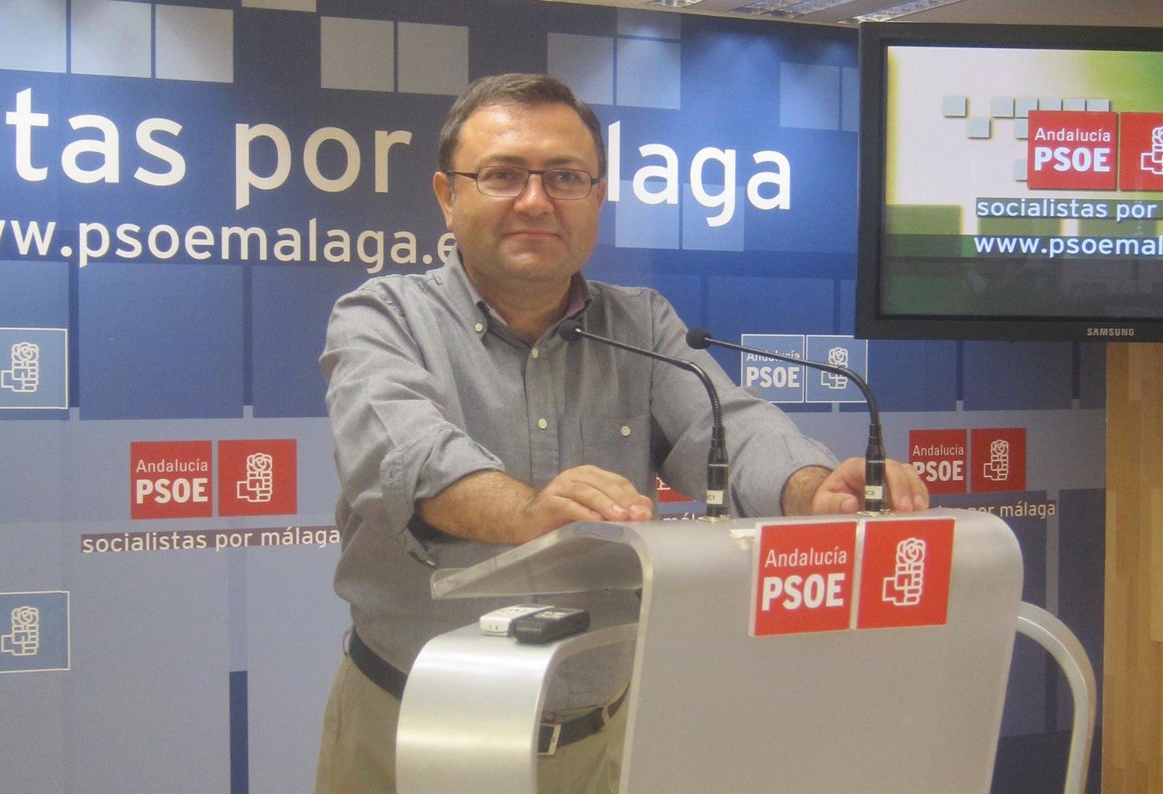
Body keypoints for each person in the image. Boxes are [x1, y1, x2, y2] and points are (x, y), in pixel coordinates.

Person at [316, 72, 928, 794]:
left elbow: (728, 428)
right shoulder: (380, 317)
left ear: (597, 197)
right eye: (503, 175)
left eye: (565, 177)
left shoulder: (642, 324)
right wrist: (528, 511)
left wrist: (812, 491)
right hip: (414, 729)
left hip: (601, 744)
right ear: (448, 196)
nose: (536, 201)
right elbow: (407, 457)